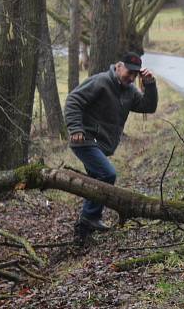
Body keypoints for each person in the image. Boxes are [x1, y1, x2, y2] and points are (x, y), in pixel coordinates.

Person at [64, 52, 158, 243]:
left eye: (134, 75)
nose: (130, 77)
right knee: (107, 174)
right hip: (84, 139)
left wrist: (149, 84)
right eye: (128, 73)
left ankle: (82, 233)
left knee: (95, 182)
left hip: (100, 144)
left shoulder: (129, 91)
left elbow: (148, 106)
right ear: (118, 66)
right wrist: (75, 128)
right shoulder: (100, 82)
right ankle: (90, 217)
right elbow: (73, 100)